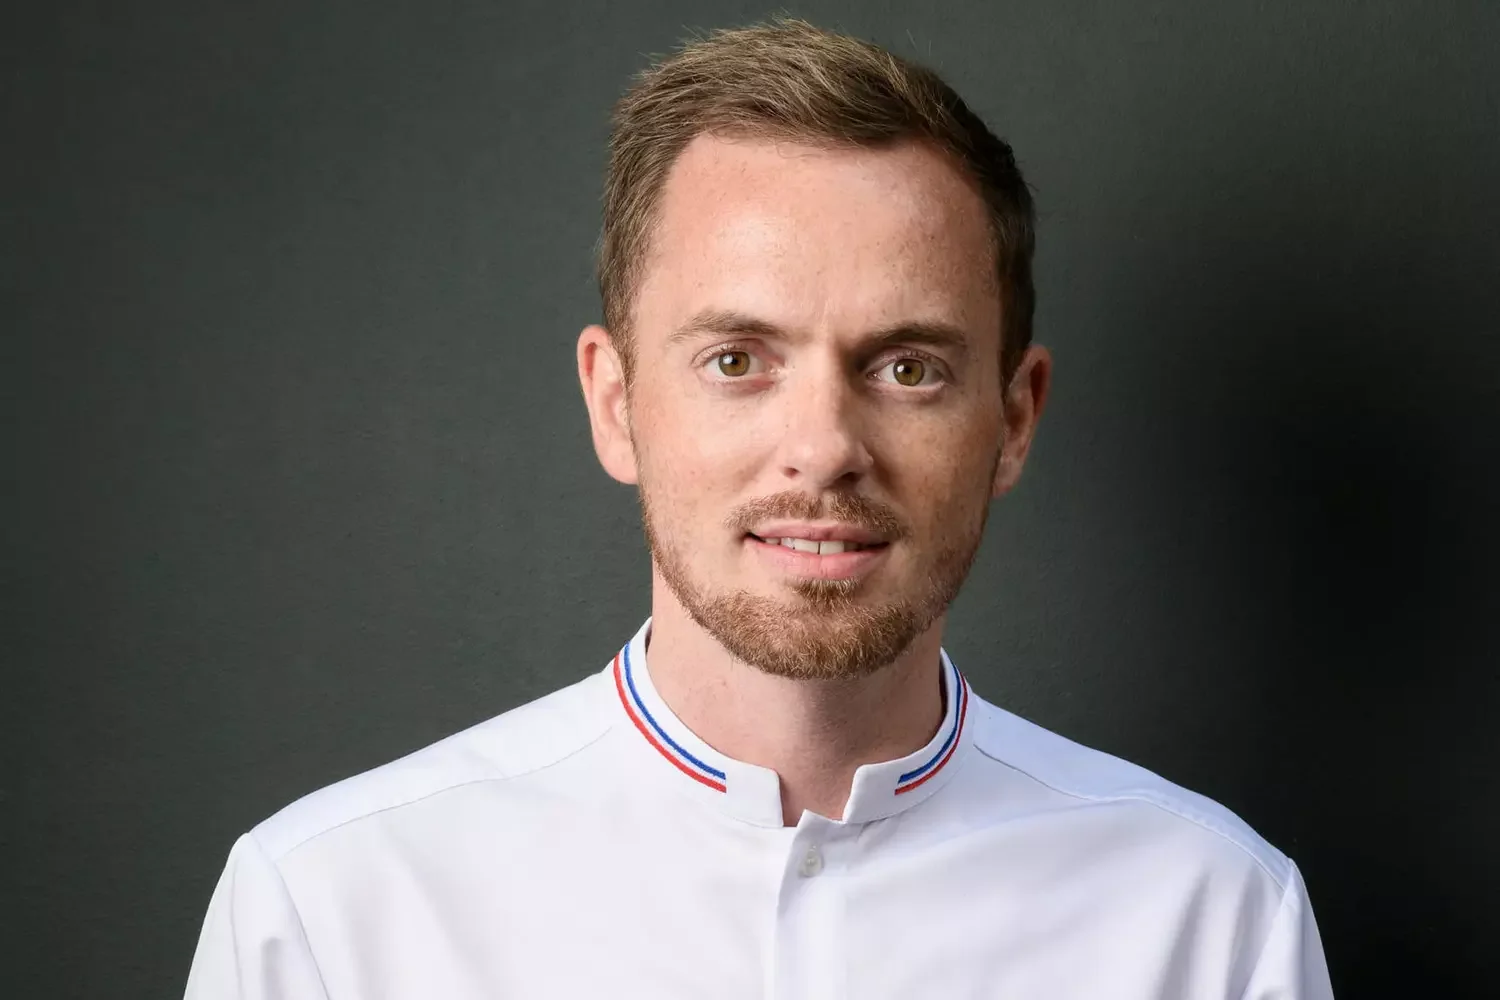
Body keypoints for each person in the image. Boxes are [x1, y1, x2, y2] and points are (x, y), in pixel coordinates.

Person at [184, 15, 1333, 999]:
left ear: (1015, 418)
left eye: (907, 367)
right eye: (738, 360)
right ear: (617, 402)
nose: (824, 449)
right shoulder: (334, 915)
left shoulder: (1211, 919)